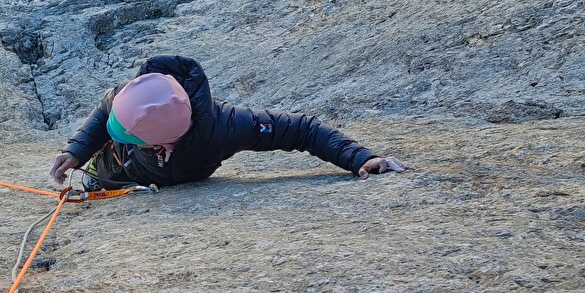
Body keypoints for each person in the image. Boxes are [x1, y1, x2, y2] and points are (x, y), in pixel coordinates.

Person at [49, 55, 405, 190]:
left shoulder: (226, 126)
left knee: (117, 158)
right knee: (104, 164)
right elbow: (106, 111)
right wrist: (77, 150)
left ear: (159, 138)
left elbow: (301, 130)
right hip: (125, 165)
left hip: (147, 165)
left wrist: (360, 158)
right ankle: (95, 169)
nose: (114, 125)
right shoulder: (137, 94)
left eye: (123, 130)